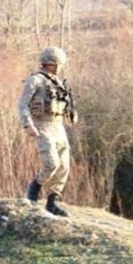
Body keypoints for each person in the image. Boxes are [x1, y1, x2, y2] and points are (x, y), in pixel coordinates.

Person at [17, 45, 77, 217]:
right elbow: (22, 105)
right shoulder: (35, 80)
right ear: (51, 63)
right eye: (58, 64)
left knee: (64, 166)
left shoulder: (58, 82)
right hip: (42, 125)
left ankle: (53, 201)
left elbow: (65, 102)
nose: (60, 68)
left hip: (58, 126)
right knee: (51, 163)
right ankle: (33, 189)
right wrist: (28, 124)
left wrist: (71, 114)